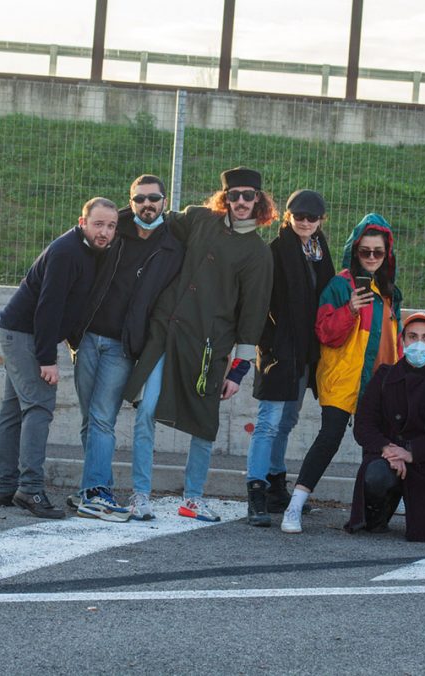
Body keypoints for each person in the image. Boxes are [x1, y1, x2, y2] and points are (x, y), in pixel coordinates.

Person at [122, 167, 275, 522]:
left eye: (248, 196)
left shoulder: (258, 254)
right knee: (146, 410)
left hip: (209, 347)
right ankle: (140, 494)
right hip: (165, 332)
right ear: (225, 198)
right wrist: (114, 220)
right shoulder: (198, 219)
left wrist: (238, 370)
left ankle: (192, 498)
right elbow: (155, 219)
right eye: (234, 195)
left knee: (205, 423)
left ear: (259, 200)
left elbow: (253, 315)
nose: (240, 202)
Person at [68, 175, 184, 522]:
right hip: (87, 337)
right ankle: (91, 489)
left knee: (103, 418)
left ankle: (98, 491)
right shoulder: (112, 229)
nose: (147, 205)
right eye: (140, 199)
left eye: (154, 198)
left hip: (123, 345)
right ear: (131, 201)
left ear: (164, 201)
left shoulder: (173, 247)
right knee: (90, 419)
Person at [0, 197, 118, 518]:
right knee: (38, 407)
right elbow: (48, 307)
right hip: (26, 334)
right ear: (83, 222)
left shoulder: (91, 251)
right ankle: (30, 489)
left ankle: (7, 487)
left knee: (13, 409)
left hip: (21, 331)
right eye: (98, 224)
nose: (105, 232)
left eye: (111, 226)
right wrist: (46, 358)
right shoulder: (67, 252)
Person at [281, 213, 403, 534]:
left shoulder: (390, 293)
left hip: (377, 384)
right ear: (355, 251)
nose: (372, 258)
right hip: (341, 379)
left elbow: (395, 343)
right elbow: (325, 333)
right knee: (329, 439)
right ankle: (294, 506)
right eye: (366, 252)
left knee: (374, 448)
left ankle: (368, 517)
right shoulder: (339, 285)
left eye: (378, 252)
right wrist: (349, 309)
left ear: (386, 254)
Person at [244, 189, 335, 527]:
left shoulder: (319, 250)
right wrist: (270, 344)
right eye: (299, 217)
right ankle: (255, 492)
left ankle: (275, 485)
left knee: (287, 420)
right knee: (268, 421)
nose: (305, 222)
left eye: (312, 218)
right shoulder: (277, 251)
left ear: (321, 220)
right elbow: (259, 303)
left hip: (306, 351)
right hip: (280, 351)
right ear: (288, 217)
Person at [345, 312, 425, 541]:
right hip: (385, 458)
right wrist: (387, 450)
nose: (419, 343)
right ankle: (377, 517)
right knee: (377, 474)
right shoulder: (383, 377)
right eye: (413, 336)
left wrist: (411, 452)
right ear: (403, 340)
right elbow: (363, 425)